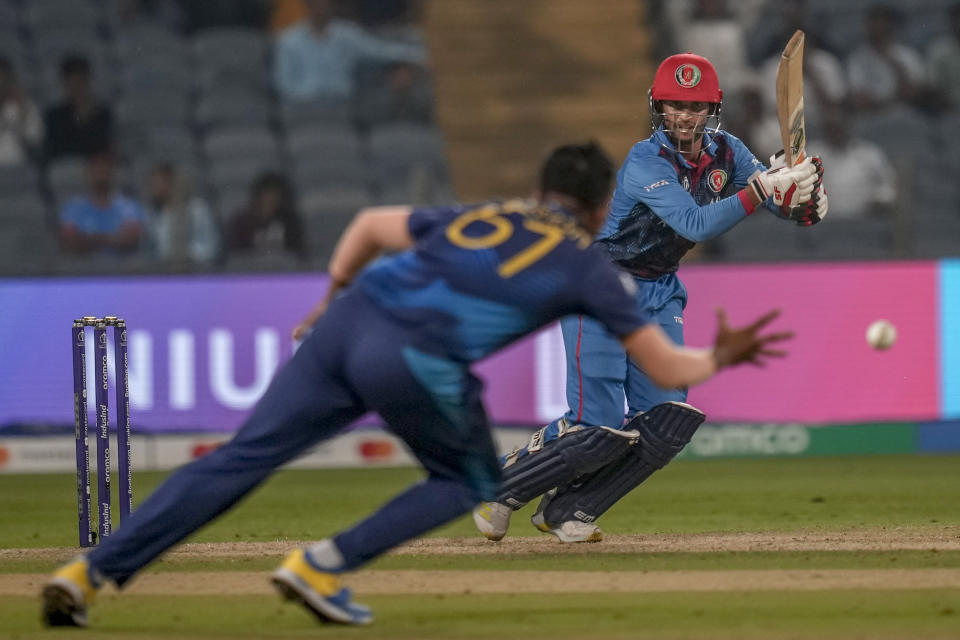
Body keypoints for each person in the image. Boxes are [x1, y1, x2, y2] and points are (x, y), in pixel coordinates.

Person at [42, 142, 792, 628]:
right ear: (602, 210)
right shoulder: (586, 264)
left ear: (540, 187)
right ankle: (321, 564)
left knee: (238, 460)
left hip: (346, 326)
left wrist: (328, 297)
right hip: (417, 359)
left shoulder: (484, 213)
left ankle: (88, 573)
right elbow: (666, 372)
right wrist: (721, 356)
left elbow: (369, 225)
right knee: (465, 480)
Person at [472, 53, 828, 544]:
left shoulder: (730, 152)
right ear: (657, 108)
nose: (684, 116)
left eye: (695, 106)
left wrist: (804, 201)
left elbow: (770, 199)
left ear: (712, 110)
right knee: (594, 427)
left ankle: (572, 508)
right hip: (597, 289)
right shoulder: (646, 159)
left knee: (666, 424)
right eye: (673, 106)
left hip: (659, 291)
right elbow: (697, 223)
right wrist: (768, 188)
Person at [273, 0, 427, 103]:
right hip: (304, 108)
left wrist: (416, 56)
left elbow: (380, 51)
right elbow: (283, 85)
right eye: (317, 3)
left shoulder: (347, 35)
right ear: (308, 6)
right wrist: (307, 100)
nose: (321, 7)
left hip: (342, 106)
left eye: (326, 3)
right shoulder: (288, 40)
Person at [58, 151, 145, 257]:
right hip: (81, 270)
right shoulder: (73, 208)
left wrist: (88, 239)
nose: (101, 170)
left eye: (105, 165)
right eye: (96, 165)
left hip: (122, 270)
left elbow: (131, 239)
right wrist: (113, 238)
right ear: (88, 170)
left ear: (112, 170)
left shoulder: (129, 207)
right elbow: (70, 241)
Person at [846, 4, 926, 114]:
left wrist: (899, 71)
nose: (877, 28)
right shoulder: (856, 59)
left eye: (881, 22)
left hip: (903, 112)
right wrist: (885, 101)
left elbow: (915, 94)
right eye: (872, 22)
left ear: (891, 26)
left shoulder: (907, 55)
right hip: (871, 115)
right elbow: (858, 98)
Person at [142, 162, 221, 268]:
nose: (154, 188)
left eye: (157, 183)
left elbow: (211, 246)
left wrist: (186, 255)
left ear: (170, 182)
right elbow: (151, 249)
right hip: (163, 272)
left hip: (196, 270)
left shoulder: (197, 209)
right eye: (152, 184)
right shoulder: (153, 213)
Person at [43, 55, 114, 162]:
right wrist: (80, 120)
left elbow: (103, 148)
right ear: (64, 84)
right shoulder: (54, 116)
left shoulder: (102, 114)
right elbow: (58, 151)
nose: (77, 88)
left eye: (81, 82)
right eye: (72, 83)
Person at [226, 171, 305, 260]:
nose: (270, 201)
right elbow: (236, 254)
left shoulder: (291, 222)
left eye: (274, 197)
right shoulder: (242, 223)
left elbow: (298, 253)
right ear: (258, 197)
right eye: (266, 196)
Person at [0, 57, 43, 167]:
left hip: (19, 169)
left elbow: (35, 140)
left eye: (3, 79)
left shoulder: (26, 106)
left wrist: (23, 113)